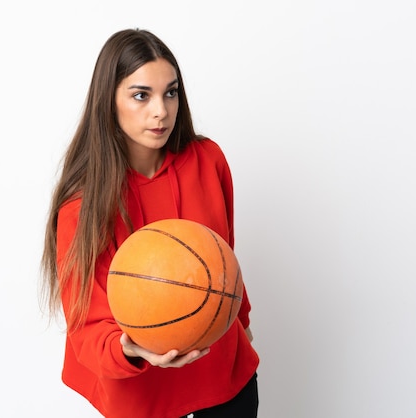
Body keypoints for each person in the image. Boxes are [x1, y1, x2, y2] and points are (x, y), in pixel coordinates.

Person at [41, 28, 260, 418]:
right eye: (141, 95)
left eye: (170, 92)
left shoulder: (209, 161)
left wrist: (239, 322)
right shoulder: (83, 205)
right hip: (139, 397)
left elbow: (225, 260)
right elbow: (86, 325)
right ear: (108, 102)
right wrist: (131, 349)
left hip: (225, 382)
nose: (161, 110)